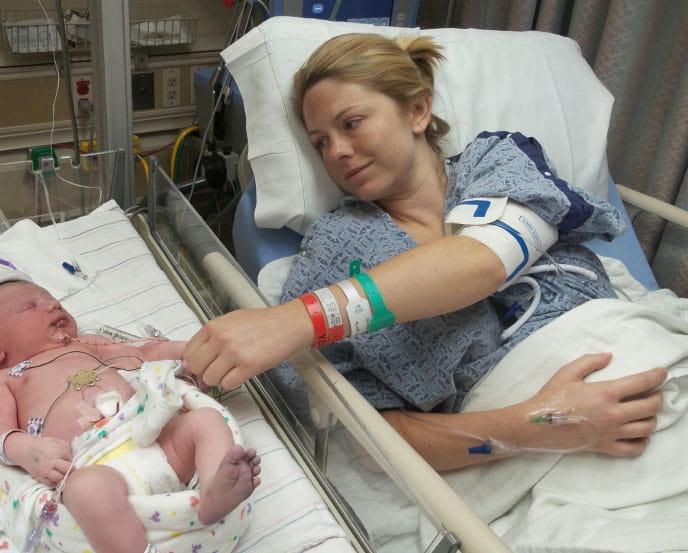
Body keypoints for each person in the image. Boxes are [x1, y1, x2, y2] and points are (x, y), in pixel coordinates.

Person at [183, 33, 666, 471]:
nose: (337, 152)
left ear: (417, 111)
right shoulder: (336, 248)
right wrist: (537, 426)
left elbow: (483, 262)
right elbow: (373, 436)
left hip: (633, 355)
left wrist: (296, 320)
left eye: (351, 124)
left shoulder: (497, 161)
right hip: (532, 436)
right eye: (320, 143)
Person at [0, 273, 261, 553]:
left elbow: (143, 353)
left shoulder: (86, 344)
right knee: (83, 490)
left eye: (53, 301)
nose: (53, 306)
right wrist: (27, 450)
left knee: (205, 421)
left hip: (153, 438)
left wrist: (193, 351)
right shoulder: (6, 379)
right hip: (97, 463)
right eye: (31, 306)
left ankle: (213, 491)